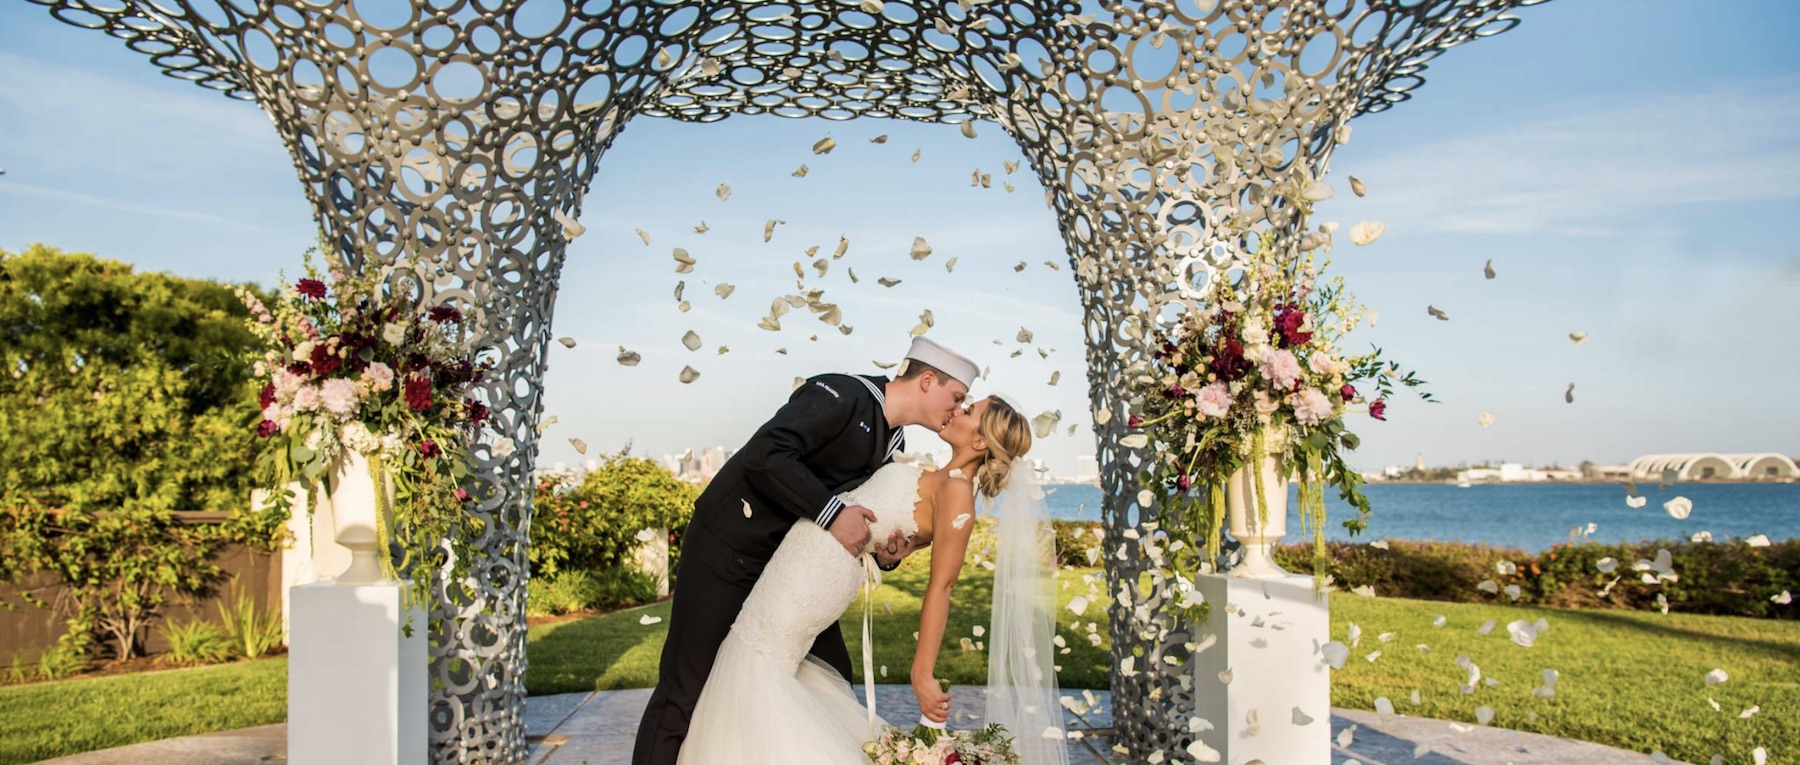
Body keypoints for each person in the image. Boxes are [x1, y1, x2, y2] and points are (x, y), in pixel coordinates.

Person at [631, 337, 979, 765]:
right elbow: (767, 453)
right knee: (684, 691)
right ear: (928, 380)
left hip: (788, 571)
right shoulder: (842, 394)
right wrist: (832, 513)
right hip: (728, 550)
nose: (958, 409)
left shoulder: (894, 443)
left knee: (832, 681)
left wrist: (887, 553)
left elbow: (860, 514)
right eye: (957, 397)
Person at [674, 394, 1069, 765]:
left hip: (813, 581)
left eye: (968, 411)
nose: (958, 409)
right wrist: (889, 555)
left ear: (980, 442)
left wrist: (922, 672)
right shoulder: (939, 477)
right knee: (755, 657)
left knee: (757, 660)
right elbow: (890, 545)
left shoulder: (957, 495)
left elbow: (942, 586)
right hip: (800, 560)